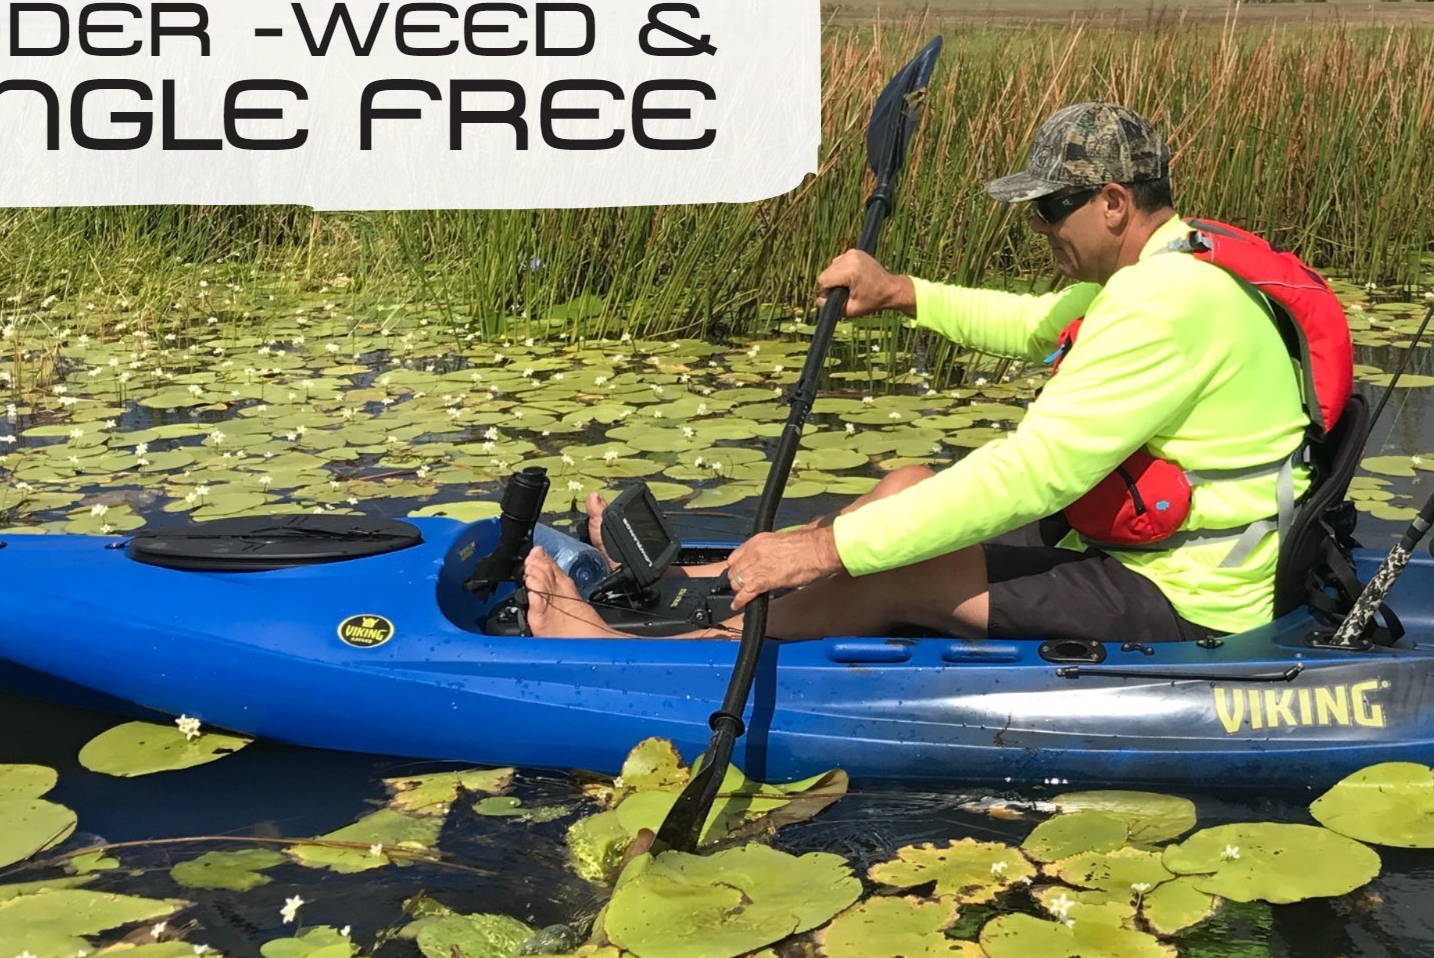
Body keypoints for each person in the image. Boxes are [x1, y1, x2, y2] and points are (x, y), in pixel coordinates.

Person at [523, 101, 1313, 642]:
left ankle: (642, 644)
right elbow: (1033, 323)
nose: (1038, 228)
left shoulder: (1164, 304)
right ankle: (706, 578)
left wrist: (827, 553)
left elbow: (1032, 474)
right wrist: (900, 291)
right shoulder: (1170, 265)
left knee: (891, 574)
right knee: (903, 486)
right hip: (1152, 557)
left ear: (1111, 201)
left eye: (1048, 208)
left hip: (1193, 597)